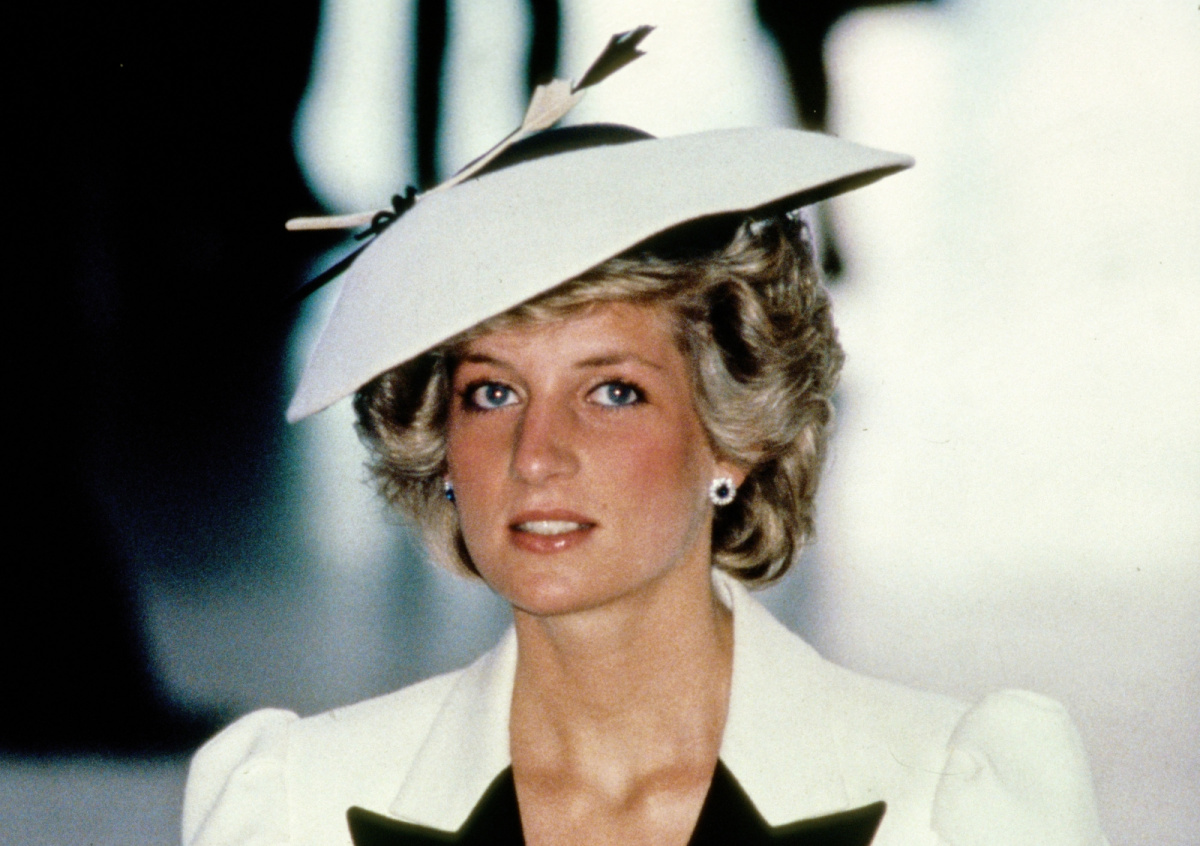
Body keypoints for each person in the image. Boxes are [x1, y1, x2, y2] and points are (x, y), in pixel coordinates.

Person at [182, 32, 1109, 846]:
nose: (535, 455)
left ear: (732, 436)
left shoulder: (948, 802)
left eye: (613, 392)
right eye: (493, 393)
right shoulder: (299, 803)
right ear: (439, 444)